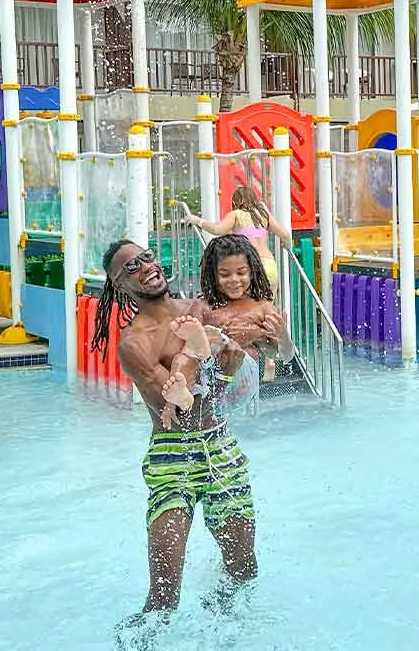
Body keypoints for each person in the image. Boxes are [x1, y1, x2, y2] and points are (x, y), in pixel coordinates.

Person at [90, 239, 258, 619]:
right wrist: (219, 369)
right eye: (130, 267)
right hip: (172, 458)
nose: (145, 266)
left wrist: (229, 364)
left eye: (146, 257)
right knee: (164, 594)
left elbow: (235, 376)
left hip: (220, 448)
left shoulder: (199, 308)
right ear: (119, 285)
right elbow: (179, 416)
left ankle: (226, 634)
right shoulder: (134, 343)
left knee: (243, 570)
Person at [200, 234, 296, 384]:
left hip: (243, 393)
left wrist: (280, 335)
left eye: (241, 272)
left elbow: (285, 356)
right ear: (213, 274)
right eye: (224, 274)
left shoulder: (262, 308)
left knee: (250, 352)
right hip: (210, 388)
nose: (234, 280)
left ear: (252, 271)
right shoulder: (204, 306)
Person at [184, 186, 292, 291]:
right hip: (270, 266)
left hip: (252, 266)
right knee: (266, 306)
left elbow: (217, 230)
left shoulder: (236, 215)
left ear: (235, 202)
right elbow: (285, 234)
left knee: (246, 307)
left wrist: (198, 221)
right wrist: (286, 245)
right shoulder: (263, 215)